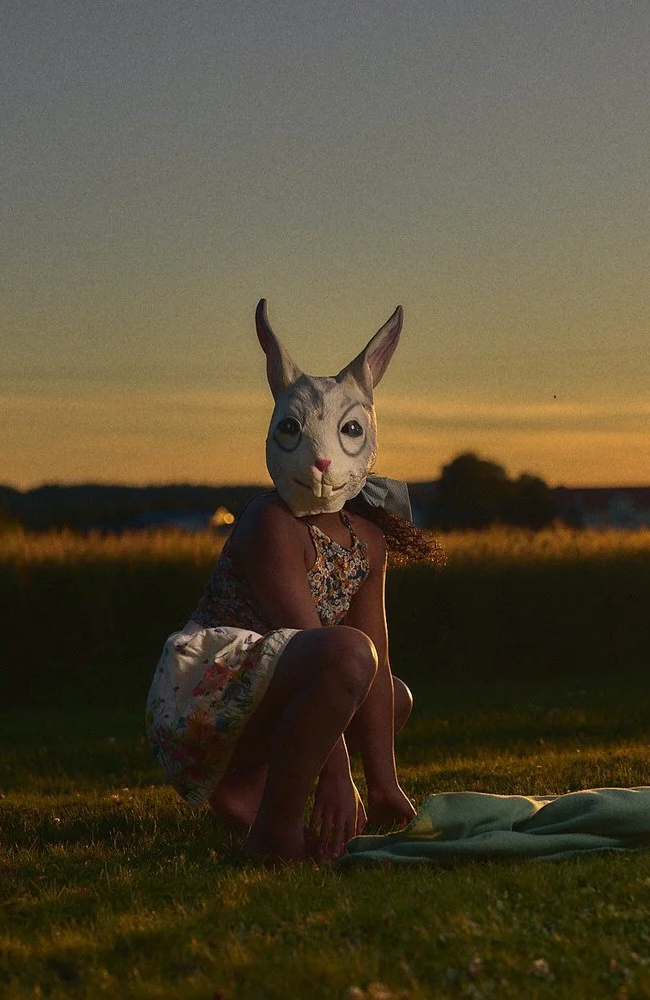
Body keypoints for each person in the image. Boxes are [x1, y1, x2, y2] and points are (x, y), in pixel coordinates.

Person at [145, 300, 443, 865]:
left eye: (347, 431)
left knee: (390, 691)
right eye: (295, 430)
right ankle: (272, 832)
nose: (324, 460)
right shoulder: (271, 524)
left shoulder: (367, 538)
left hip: (282, 685)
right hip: (210, 695)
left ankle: (252, 792)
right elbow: (307, 642)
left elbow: (375, 652)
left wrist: (384, 786)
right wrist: (340, 777)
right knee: (347, 655)